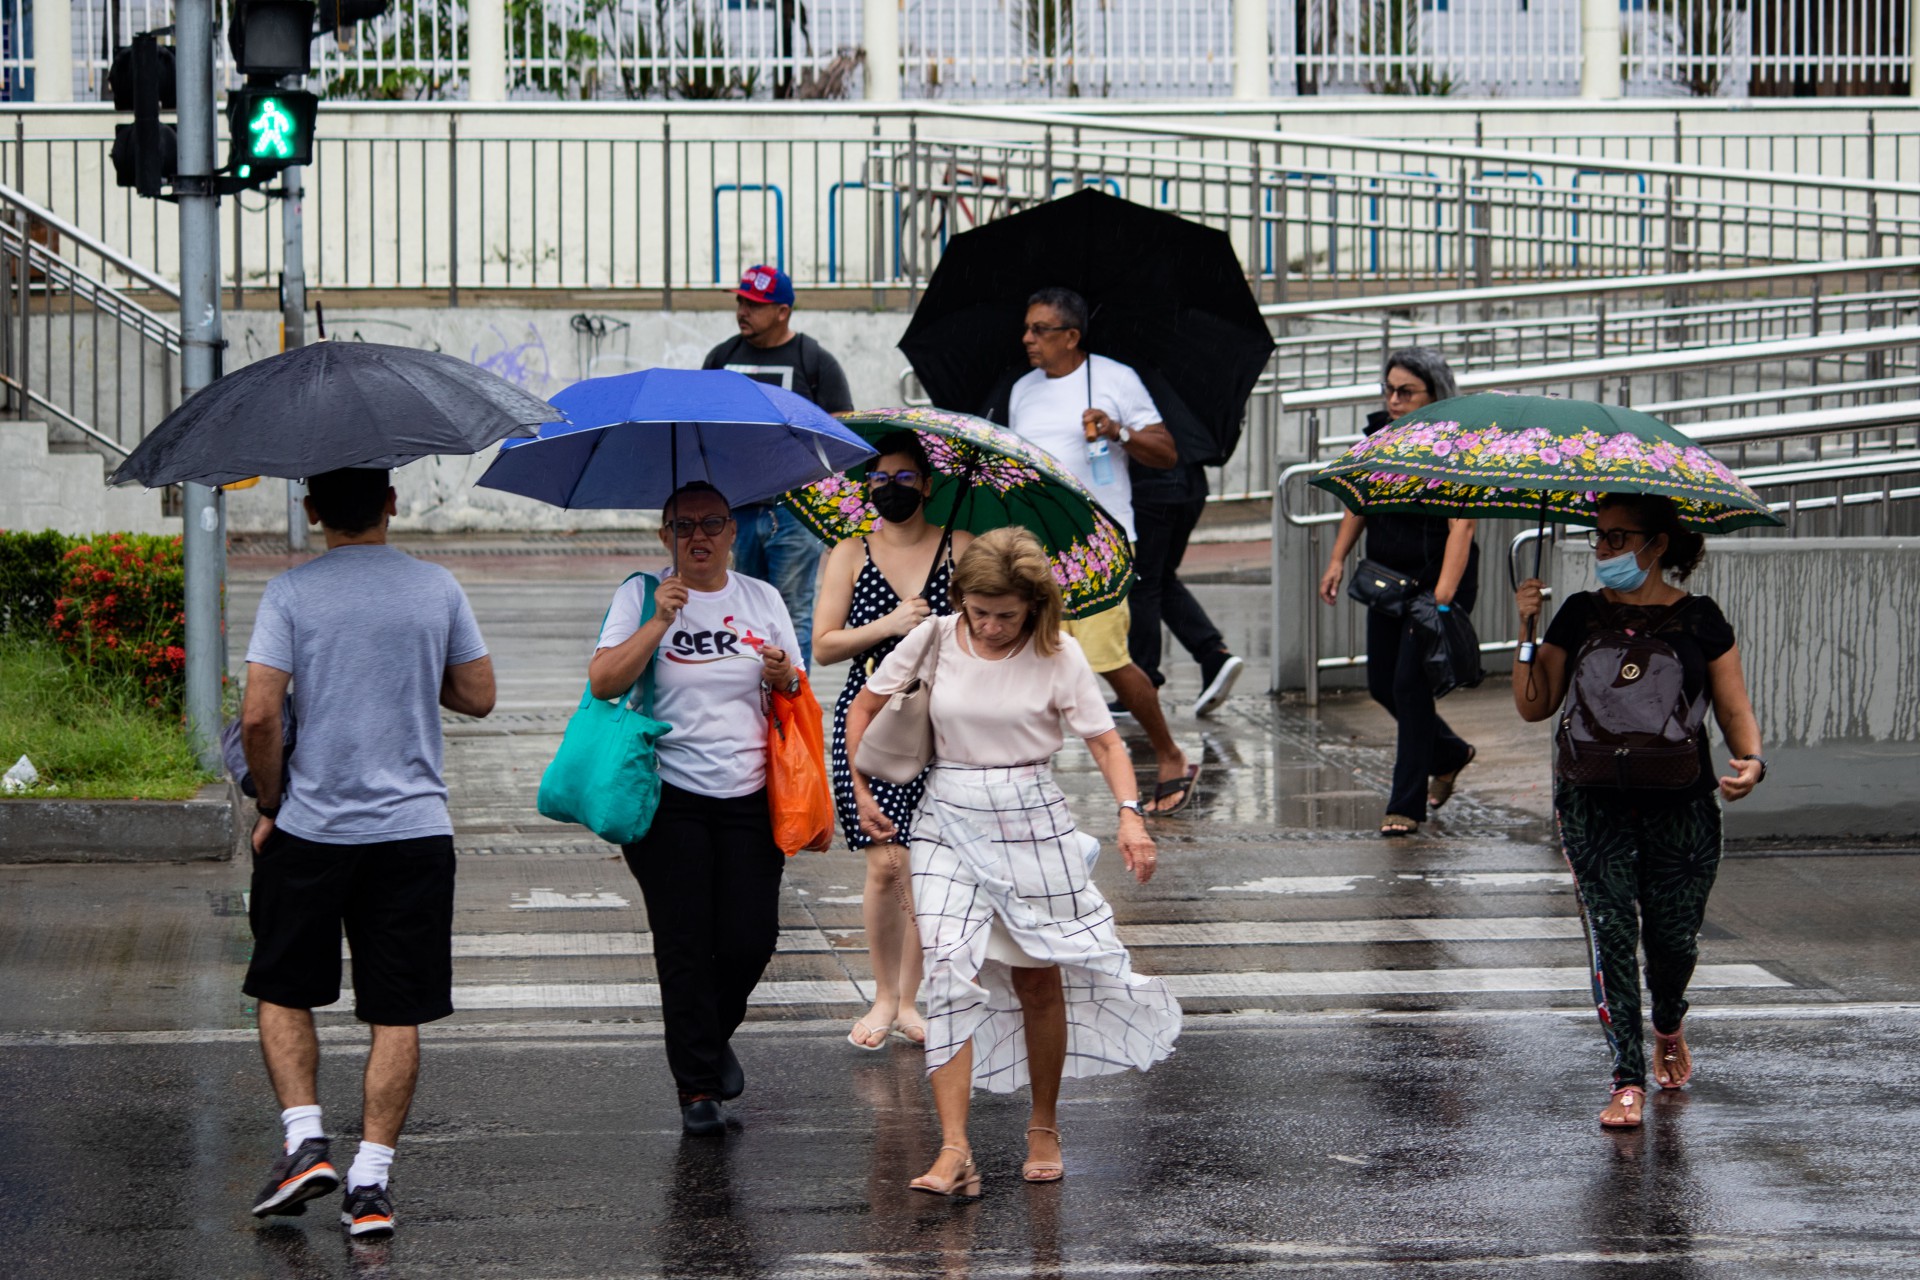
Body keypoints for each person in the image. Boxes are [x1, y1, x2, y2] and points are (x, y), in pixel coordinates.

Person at [843, 528, 1181, 1197]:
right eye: (979, 609)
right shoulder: (936, 636)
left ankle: (1044, 1123)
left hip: (1030, 815)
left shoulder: (1060, 655)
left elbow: (1107, 744)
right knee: (944, 971)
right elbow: (864, 705)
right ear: (961, 597)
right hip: (946, 812)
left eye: (1007, 614)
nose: (991, 626)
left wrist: (1130, 815)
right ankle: (955, 1149)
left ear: (1034, 606)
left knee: (1036, 979)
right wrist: (859, 791)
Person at [239, 466, 496, 1240]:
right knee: (398, 1009)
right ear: (391, 503)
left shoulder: (290, 593)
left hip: (312, 829)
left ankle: (305, 1140)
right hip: (414, 834)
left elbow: (258, 717)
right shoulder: (437, 588)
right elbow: (479, 695)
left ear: (313, 509)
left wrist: (270, 803)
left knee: (283, 987)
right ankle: (371, 1185)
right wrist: (412, 671)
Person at [1513, 493, 1764, 1129]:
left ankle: (1669, 1020)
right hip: (1592, 800)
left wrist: (1751, 760)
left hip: (1681, 801)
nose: (1602, 551)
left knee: (1673, 940)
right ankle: (1627, 1078)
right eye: (1598, 538)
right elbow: (1533, 705)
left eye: (1618, 539)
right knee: (1611, 934)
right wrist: (1526, 628)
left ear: (1656, 545)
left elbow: (1732, 707)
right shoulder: (1579, 613)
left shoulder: (1700, 619)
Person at [588, 480, 805, 1137]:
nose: (700, 537)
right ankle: (698, 1091)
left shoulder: (761, 599)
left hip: (749, 794)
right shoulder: (639, 595)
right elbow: (603, 682)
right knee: (685, 943)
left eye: (713, 523)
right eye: (684, 527)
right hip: (668, 795)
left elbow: (795, 681)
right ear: (665, 537)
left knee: (750, 938)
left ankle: (706, 1035)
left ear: (734, 532)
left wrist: (779, 675)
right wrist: (659, 619)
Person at [1002, 286, 1198, 815]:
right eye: (1026, 328)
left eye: (1040, 330)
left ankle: (1169, 753)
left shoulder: (1115, 380)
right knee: (1027, 658)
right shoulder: (1022, 390)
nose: (1028, 339)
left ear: (1072, 336)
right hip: (1036, 544)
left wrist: (1118, 430)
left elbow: (1166, 452)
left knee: (1106, 660)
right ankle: (1026, 775)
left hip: (1097, 543)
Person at [812, 431, 973, 1052]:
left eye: (906, 478)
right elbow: (824, 646)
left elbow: (987, 627)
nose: (891, 488)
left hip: (944, 719)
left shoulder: (961, 547)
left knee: (925, 865)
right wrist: (891, 624)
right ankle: (884, 995)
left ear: (928, 486)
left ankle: (912, 1001)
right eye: (880, 479)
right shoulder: (849, 552)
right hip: (872, 717)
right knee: (888, 864)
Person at [1317, 347, 1480, 837]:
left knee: (1410, 687)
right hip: (1389, 576)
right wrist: (1337, 558)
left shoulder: (1454, 447)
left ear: (1434, 394)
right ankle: (1450, 753)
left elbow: (1463, 526)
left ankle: (1406, 805)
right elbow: (1359, 500)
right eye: (1388, 390)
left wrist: (1444, 600)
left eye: (1405, 392)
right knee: (1381, 684)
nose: (1393, 400)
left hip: (1437, 583)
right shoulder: (1379, 438)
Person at [702, 264, 855, 667]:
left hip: (795, 511)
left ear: (783, 311)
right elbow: (700, 429)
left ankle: (792, 699)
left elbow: (841, 433)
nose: (742, 310)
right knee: (738, 605)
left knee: (791, 611)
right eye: (740, 301)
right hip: (735, 507)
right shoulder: (721, 359)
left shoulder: (814, 361)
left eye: (754, 304)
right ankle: (748, 691)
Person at [1128, 454, 1245, 718]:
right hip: (1189, 484)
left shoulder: (1141, 411)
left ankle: (1140, 685)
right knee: (1160, 578)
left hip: (1152, 488)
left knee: (1143, 583)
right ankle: (1213, 654)